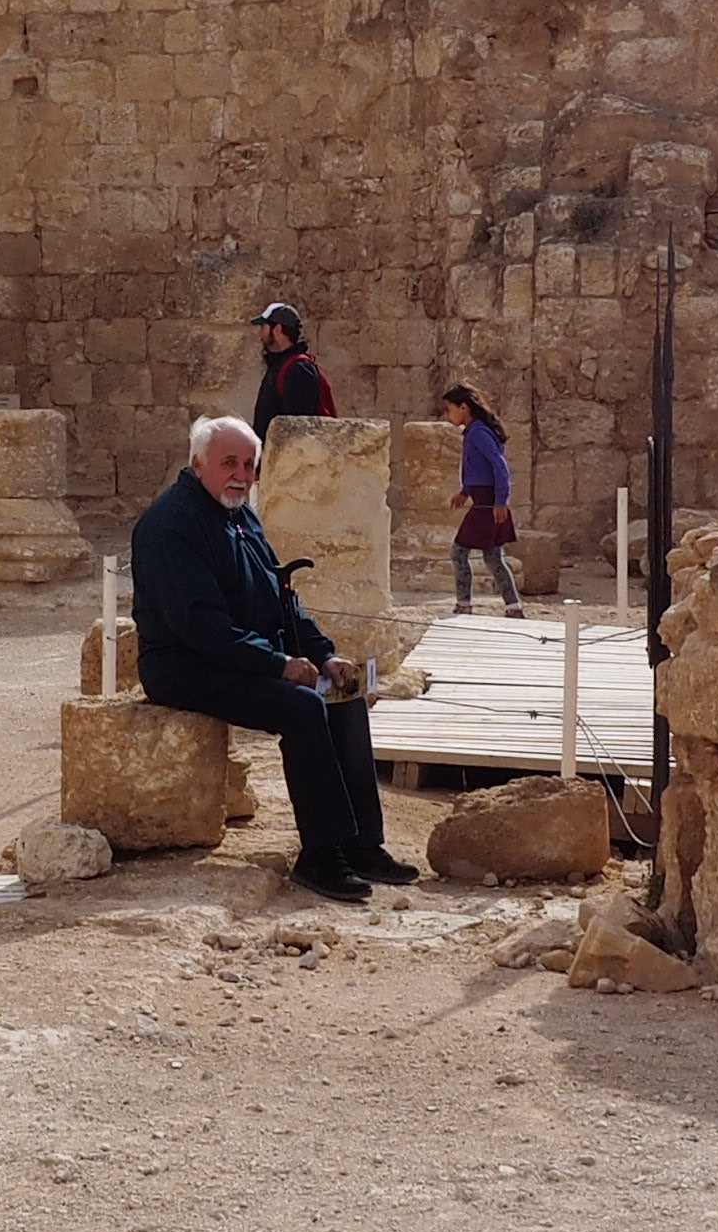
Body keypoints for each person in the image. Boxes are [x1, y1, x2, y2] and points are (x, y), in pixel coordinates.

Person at [128, 414, 411, 901]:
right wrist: (277, 665)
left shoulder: (237, 514)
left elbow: (282, 595)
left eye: (249, 465)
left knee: (343, 695)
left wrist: (323, 655)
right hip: (185, 666)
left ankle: (361, 844)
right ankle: (321, 855)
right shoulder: (172, 525)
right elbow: (201, 627)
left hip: (235, 656)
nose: (240, 474)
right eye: (228, 463)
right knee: (301, 708)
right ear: (198, 465)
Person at [442, 379, 521, 611]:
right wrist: (465, 492)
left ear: (463, 408)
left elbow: (499, 466)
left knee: (458, 552)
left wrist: (500, 502)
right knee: (493, 558)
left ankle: (464, 604)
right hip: (483, 500)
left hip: (487, 504)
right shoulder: (473, 432)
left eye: (449, 409)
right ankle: (513, 607)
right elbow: (478, 469)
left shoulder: (478, 433)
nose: (447, 416)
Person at [250, 302, 335, 437]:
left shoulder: (298, 370)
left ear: (277, 329)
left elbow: (298, 428)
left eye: (263, 327)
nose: (260, 334)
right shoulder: (280, 365)